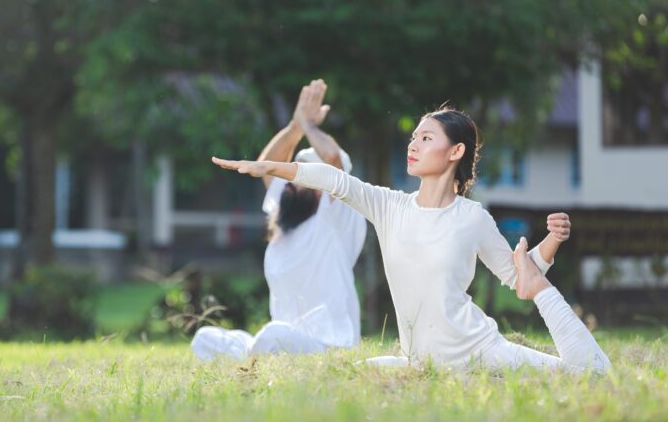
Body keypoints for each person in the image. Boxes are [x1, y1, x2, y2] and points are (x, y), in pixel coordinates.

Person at [211, 102, 612, 372]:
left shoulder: (472, 218)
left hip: (482, 352)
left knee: (588, 374)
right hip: (417, 360)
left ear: (455, 152)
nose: (413, 144)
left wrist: (550, 244)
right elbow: (335, 179)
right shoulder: (389, 207)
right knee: (352, 375)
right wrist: (268, 167)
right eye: (413, 137)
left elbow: (521, 277)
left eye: (426, 138)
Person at [191, 80, 367, 361]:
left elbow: (333, 158)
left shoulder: (331, 216)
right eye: (291, 175)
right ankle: (255, 359)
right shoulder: (285, 217)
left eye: (302, 177)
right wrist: (295, 127)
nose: (291, 181)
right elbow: (266, 167)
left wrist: (310, 127)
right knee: (205, 339)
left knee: (272, 336)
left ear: (323, 187)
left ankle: (252, 363)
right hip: (283, 342)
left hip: (330, 346)